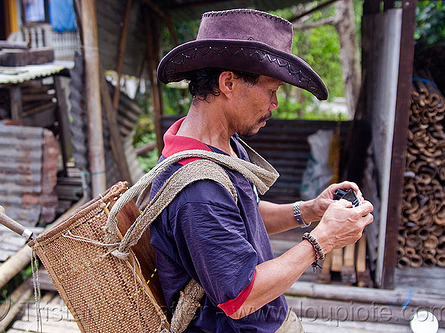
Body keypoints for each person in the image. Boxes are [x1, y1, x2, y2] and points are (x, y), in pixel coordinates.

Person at [149, 8, 374, 333]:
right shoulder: (197, 191)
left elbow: (243, 216)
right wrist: (323, 239)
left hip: (271, 320)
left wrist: (310, 210)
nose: (275, 103)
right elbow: (241, 299)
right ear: (228, 82)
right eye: (271, 90)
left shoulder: (219, 145)